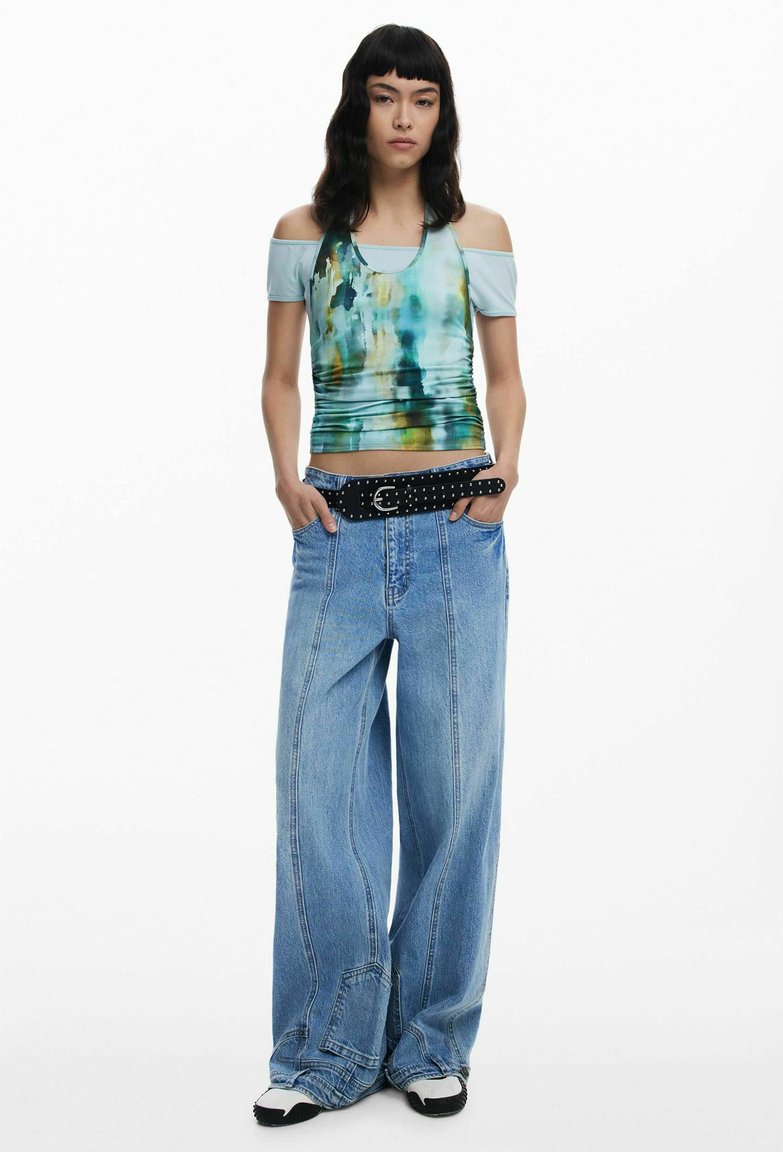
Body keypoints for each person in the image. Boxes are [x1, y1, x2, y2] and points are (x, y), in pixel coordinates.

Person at [253, 23, 526, 1127]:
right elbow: (279, 376)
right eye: (385, 95)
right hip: (336, 538)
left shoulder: (479, 234)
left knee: (452, 787)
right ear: (356, 108)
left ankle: (430, 1040)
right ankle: (326, 1047)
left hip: (456, 531)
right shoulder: (303, 234)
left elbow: (505, 376)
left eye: (422, 97)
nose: (403, 116)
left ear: (441, 112)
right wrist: (286, 479)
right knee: (316, 788)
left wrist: (508, 469)